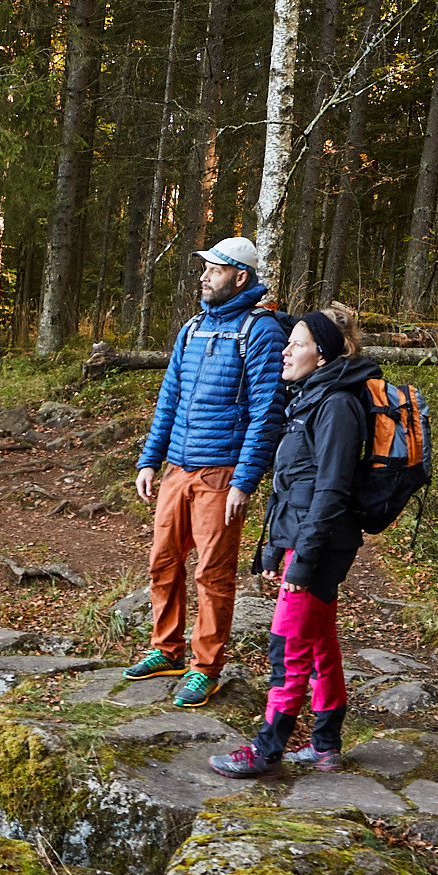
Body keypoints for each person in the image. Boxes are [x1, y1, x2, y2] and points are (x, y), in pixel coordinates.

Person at [211, 308, 380, 777]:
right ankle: (325, 744)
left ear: (322, 353)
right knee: (321, 640)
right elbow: (291, 484)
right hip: (303, 537)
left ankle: (267, 750)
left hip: (321, 542)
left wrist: (302, 561)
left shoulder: (338, 405)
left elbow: (330, 491)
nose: (285, 350)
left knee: (287, 646)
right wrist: (272, 548)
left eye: (297, 343)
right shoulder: (308, 397)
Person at [126, 236, 287, 710]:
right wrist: (149, 460)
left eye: (214, 270)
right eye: (205, 268)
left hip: (222, 472)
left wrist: (245, 480)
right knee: (163, 562)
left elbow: (267, 412)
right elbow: (169, 399)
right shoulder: (192, 327)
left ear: (240, 276)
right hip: (177, 466)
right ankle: (166, 650)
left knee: (213, 574)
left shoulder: (261, 331)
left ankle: (205, 668)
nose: (204, 276)